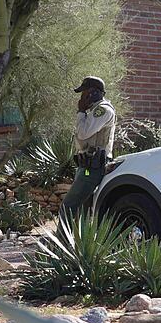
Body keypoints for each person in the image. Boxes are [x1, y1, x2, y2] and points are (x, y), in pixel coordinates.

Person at [59, 76, 116, 221]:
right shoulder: (94, 111)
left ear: (93, 93)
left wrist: (80, 112)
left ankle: (60, 241)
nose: (82, 97)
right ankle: (78, 242)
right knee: (83, 211)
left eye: (84, 92)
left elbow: (83, 133)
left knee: (68, 206)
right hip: (86, 165)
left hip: (93, 167)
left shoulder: (102, 110)